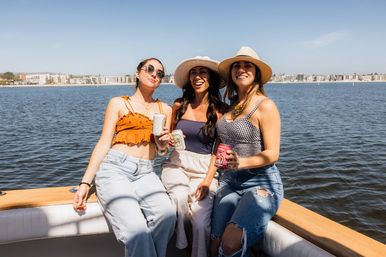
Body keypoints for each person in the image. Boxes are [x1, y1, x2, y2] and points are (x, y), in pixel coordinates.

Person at [72, 58, 176, 257]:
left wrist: (163, 143)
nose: (155, 74)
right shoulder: (118, 103)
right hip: (115, 169)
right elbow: (104, 143)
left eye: (160, 73)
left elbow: (162, 152)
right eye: (150, 69)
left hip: (146, 171)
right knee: (137, 231)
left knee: (167, 216)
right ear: (137, 73)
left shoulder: (166, 110)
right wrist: (85, 182)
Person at [210, 46, 284, 257]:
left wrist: (241, 162)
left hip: (261, 183)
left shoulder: (265, 105)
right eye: (237, 66)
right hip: (230, 181)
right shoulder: (231, 106)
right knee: (214, 240)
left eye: (247, 65)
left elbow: (273, 153)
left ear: (256, 73)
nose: (241, 69)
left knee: (230, 242)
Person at [161, 56, 227, 257]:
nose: (197, 77)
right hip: (176, 164)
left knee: (200, 224)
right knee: (180, 196)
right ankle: (182, 243)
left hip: (204, 169)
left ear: (211, 79)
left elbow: (220, 147)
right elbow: (166, 137)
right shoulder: (178, 105)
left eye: (203, 72)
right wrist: (168, 139)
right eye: (193, 72)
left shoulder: (220, 110)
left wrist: (208, 180)